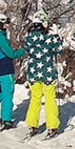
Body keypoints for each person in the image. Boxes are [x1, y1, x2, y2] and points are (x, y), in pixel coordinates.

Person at [23, 10, 64, 138]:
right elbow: (59, 50)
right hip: (47, 73)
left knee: (35, 98)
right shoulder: (49, 39)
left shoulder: (28, 39)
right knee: (50, 98)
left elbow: (25, 49)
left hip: (33, 73)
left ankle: (32, 124)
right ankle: (52, 126)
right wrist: (56, 36)